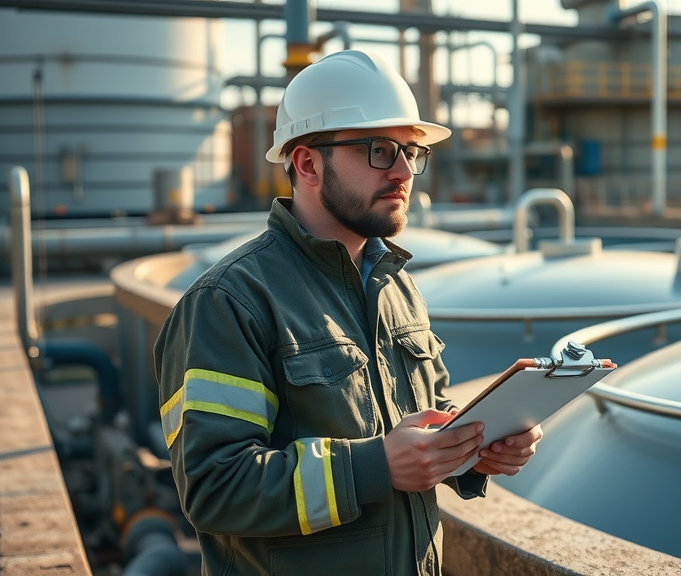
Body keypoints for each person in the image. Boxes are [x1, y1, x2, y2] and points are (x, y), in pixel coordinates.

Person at [153, 49, 542, 576]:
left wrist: (475, 448)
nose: (404, 171)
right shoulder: (229, 301)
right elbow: (215, 488)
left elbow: (421, 423)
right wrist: (374, 468)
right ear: (308, 163)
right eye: (380, 150)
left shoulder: (395, 284)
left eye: (411, 151)